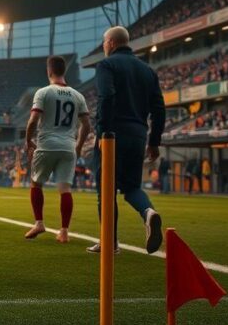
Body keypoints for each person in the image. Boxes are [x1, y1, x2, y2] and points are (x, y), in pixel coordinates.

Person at [90, 26, 166, 255]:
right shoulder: (148, 70)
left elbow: (107, 96)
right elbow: (159, 108)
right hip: (139, 136)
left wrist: (104, 132)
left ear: (111, 43)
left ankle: (110, 243)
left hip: (113, 135)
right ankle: (148, 213)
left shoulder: (106, 65)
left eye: (104, 42)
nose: (104, 46)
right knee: (132, 187)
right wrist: (154, 141)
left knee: (106, 189)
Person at [23, 56, 91, 243]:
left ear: (49, 71)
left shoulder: (43, 93)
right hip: (69, 147)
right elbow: (86, 125)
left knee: (36, 184)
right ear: (64, 71)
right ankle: (64, 231)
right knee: (65, 189)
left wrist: (28, 140)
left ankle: (39, 222)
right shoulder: (78, 96)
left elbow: (33, 120)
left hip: (47, 145)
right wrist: (78, 145)